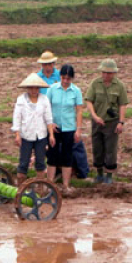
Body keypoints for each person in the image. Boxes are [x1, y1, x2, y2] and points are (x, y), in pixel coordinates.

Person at [85, 59, 128, 184]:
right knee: (97, 148)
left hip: (112, 122)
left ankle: (109, 175)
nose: (106, 75)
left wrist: (121, 122)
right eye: (104, 72)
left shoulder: (119, 86)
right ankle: (99, 174)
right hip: (97, 122)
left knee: (111, 149)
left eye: (109, 73)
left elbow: (122, 104)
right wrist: (94, 116)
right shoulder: (95, 83)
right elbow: (88, 100)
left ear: (114, 73)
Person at [12, 73, 56, 185]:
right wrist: (17, 135)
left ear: (39, 88)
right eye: (31, 87)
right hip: (26, 135)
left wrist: (51, 135)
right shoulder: (21, 100)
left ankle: (40, 187)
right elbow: (17, 118)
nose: (33, 90)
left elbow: (48, 118)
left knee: (40, 162)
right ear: (27, 88)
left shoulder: (44, 99)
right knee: (23, 163)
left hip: (40, 135)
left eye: (36, 87)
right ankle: (20, 187)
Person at [46, 64, 83, 193]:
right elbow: (47, 107)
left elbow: (79, 111)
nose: (66, 81)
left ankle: (65, 185)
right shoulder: (52, 89)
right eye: (63, 77)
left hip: (69, 128)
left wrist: (78, 129)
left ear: (72, 78)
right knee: (52, 154)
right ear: (60, 76)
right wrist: (50, 123)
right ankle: (50, 184)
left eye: (68, 78)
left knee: (67, 155)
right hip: (54, 128)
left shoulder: (76, 91)